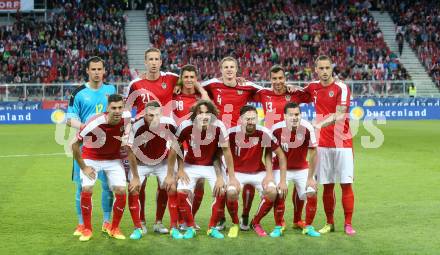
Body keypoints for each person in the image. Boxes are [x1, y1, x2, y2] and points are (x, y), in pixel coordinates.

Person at [126, 48, 208, 234]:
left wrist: (198, 88)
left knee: (166, 185)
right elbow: (126, 109)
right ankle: (142, 222)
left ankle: (159, 222)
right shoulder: (136, 84)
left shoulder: (171, 78)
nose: (154, 62)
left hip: (165, 136)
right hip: (143, 136)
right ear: (145, 62)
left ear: (161, 62)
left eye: (157, 59)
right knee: (140, 185)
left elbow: (190, 81)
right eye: (150, 59)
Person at [202, 56, 262, 230]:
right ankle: (220, 217)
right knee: (221, 181)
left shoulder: (246, 86)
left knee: (246, 178)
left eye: (232, 67)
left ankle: (244, 216)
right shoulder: (213, 84)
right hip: (218, 139)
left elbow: (267, 90)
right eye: (225, 67)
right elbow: (192, 84)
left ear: (237, 70)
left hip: (240, 140)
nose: (229, 69)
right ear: (220, 70)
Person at [165, 100, 240, 239]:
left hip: (212, 165)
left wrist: (231, 177)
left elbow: (226, 151)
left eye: (207, 112)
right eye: (201, 113)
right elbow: (174, 149)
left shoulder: (219, 126)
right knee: (182, 193)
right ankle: (191, 227)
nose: (204, 116)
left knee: (221, 191)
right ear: (195, 114)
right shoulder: (185, 125)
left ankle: (211, 228)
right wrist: (175, 172)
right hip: (191, 164)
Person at [71, 94, 139, 241]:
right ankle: (87, 229)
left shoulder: (126, 118)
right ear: (107, 108)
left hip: (113, 159)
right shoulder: (94, 122)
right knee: (87, 189)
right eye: (113, 108)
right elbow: (74, 145)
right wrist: (84, 167)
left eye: (120, 107)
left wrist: (135, 176)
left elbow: (130, 150)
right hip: (91, 157)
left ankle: (114, 228)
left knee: (121, 190)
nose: (117, 111)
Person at [253, 65, 312, 230]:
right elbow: (245, 91)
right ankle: (280, 221)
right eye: (274, 79)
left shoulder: (294, 94)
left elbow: (311, 95)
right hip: (273, 145)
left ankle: (297, 219)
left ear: (285, 78)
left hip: (294, 144)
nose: (278, 82)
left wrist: (297, 87)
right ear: (270, 79)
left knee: (299, 182)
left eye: (281, 78)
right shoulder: (263, 94)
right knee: (279, 188)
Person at [304, 55, 356, 236]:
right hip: (323, 144)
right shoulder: (313, 87)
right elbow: (295, 93)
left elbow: (340, 114)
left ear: (332, 68)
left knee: (346, 184)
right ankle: (329, 222)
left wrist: (319, 124)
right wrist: (289, 87)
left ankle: (348, 223)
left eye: (327, 68)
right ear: (316, 70)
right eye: (321, 68)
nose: (324, 71)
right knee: (327, 185)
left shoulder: (341, 87)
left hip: (342, 143)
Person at [66, 56, 116, 236]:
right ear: (87, 71)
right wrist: (87, 127)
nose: (96, 72)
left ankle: (107, 222)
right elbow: (69, 119)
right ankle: (81, 224)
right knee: (82, 187)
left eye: (99, 69)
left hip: (107, 148)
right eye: (93, 69)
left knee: (108, 186)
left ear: (104, 71)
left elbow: (118, 111)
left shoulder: (111, 89)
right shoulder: (78, 93)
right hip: (85, 147)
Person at [225, 105, 287, 237]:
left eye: (253, 118)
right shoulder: (230, 133)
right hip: (237, 172)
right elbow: (221, 155)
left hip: (258, 172)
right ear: (240, 119)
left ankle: (256, 222)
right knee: (230, 192)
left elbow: (280, 155)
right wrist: (230, 177)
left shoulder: (264, 132)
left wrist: (270, 176)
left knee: (272, 192)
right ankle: (236, 223)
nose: (251, 121)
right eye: (247, 119)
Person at [270, 102, 321, 238]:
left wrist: (311, 178)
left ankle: (308, 226)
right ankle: (278, 226)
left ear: (301, 115)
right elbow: (269, 153)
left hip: (301, 168)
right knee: (280, 192)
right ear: (284, 116)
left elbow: (313, 153)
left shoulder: (307, 127)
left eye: (297, 114)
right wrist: (279, 179)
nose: (294, 117)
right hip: (281, 169)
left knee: (311, 192)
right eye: (291, 115)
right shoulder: (276, 129)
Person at [172, 64, 205, 229]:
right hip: (178, 146)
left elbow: (210, 106)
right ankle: (179, 220)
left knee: (199, 185)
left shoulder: (201, 98)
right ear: (181, 78)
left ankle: (190, 218)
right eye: (186, 77)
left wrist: (200, 87)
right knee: (180, 185)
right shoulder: (174, 96)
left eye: (192, 77)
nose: (189, 80)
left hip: (197, 147)